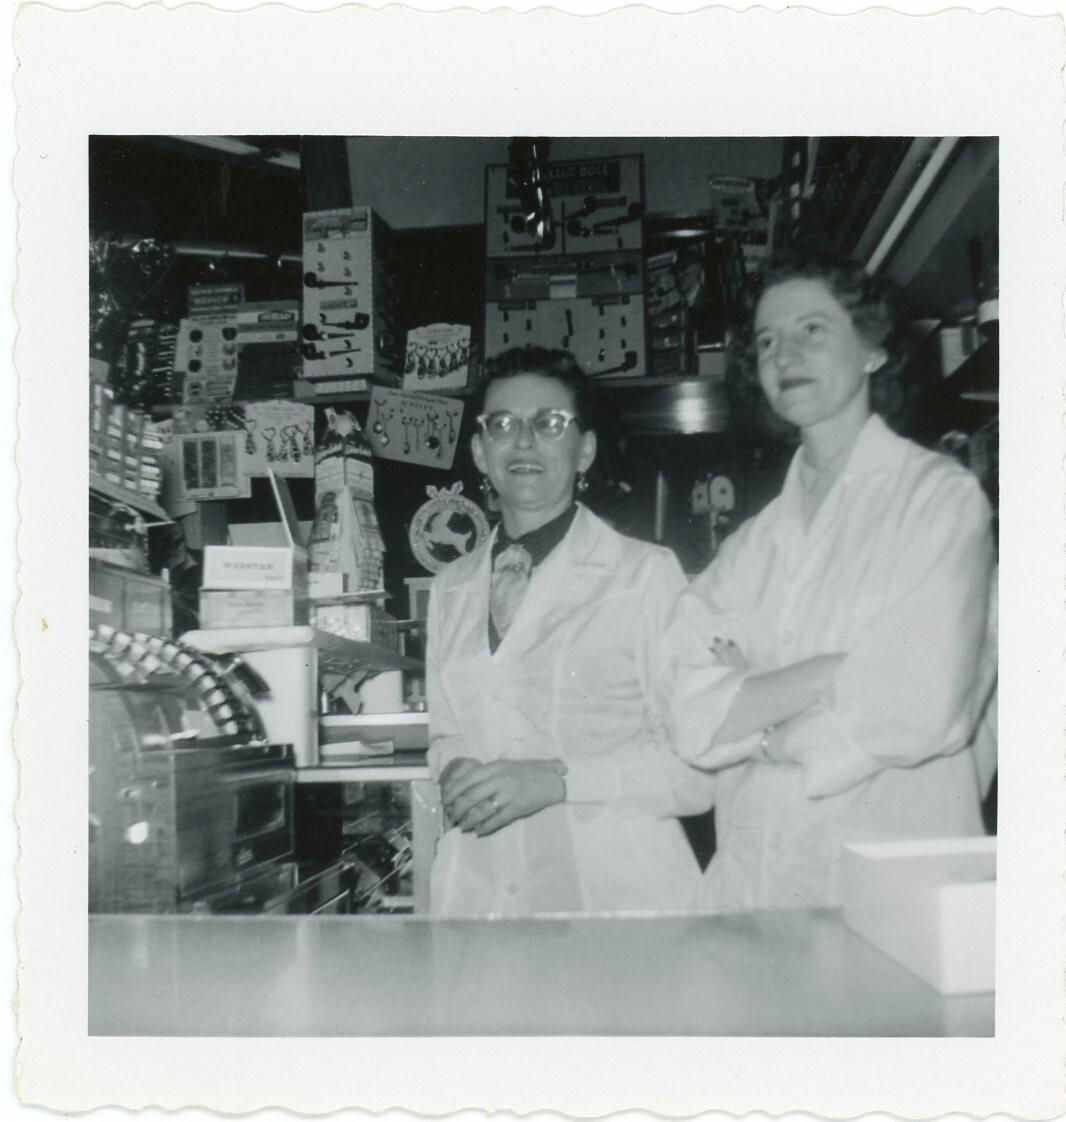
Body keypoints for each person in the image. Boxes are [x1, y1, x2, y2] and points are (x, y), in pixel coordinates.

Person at [658, 249, 996, 912]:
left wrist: (756, 711)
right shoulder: (751, 542)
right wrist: (827, 673)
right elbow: (681, 702)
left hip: (893, 889)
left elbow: (920, 701)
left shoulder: (940, 498)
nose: (784, 354)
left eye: (812, 329)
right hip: (753, 887)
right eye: (766, 340)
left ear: (871, 348)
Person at [426, 345, 715, 917]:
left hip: (618, 906)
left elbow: (697, 769)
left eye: (550, 423)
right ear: (481, 452)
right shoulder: (450, 586)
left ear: (584, 450)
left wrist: (558, 780)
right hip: (482, 900)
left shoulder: (645, 574)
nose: (524, 441)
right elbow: (447, 734)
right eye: (503, 425)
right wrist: (454, 765)